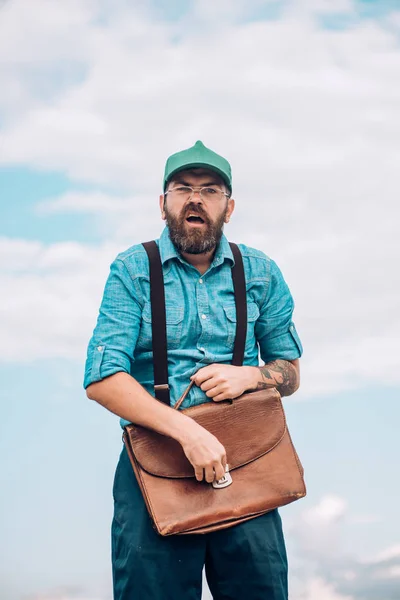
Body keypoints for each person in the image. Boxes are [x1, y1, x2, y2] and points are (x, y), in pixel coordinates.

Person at [84, 140, 303, 600]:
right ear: (163, 204)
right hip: (155, 468)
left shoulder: (261, 271)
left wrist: (253, 376)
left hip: (249, 464)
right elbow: (102, 380)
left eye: (211, 189)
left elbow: (290, 371)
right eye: (183, 188)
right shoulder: (132, 270)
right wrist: (189, 433)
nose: (196, 198)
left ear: (230, 205)